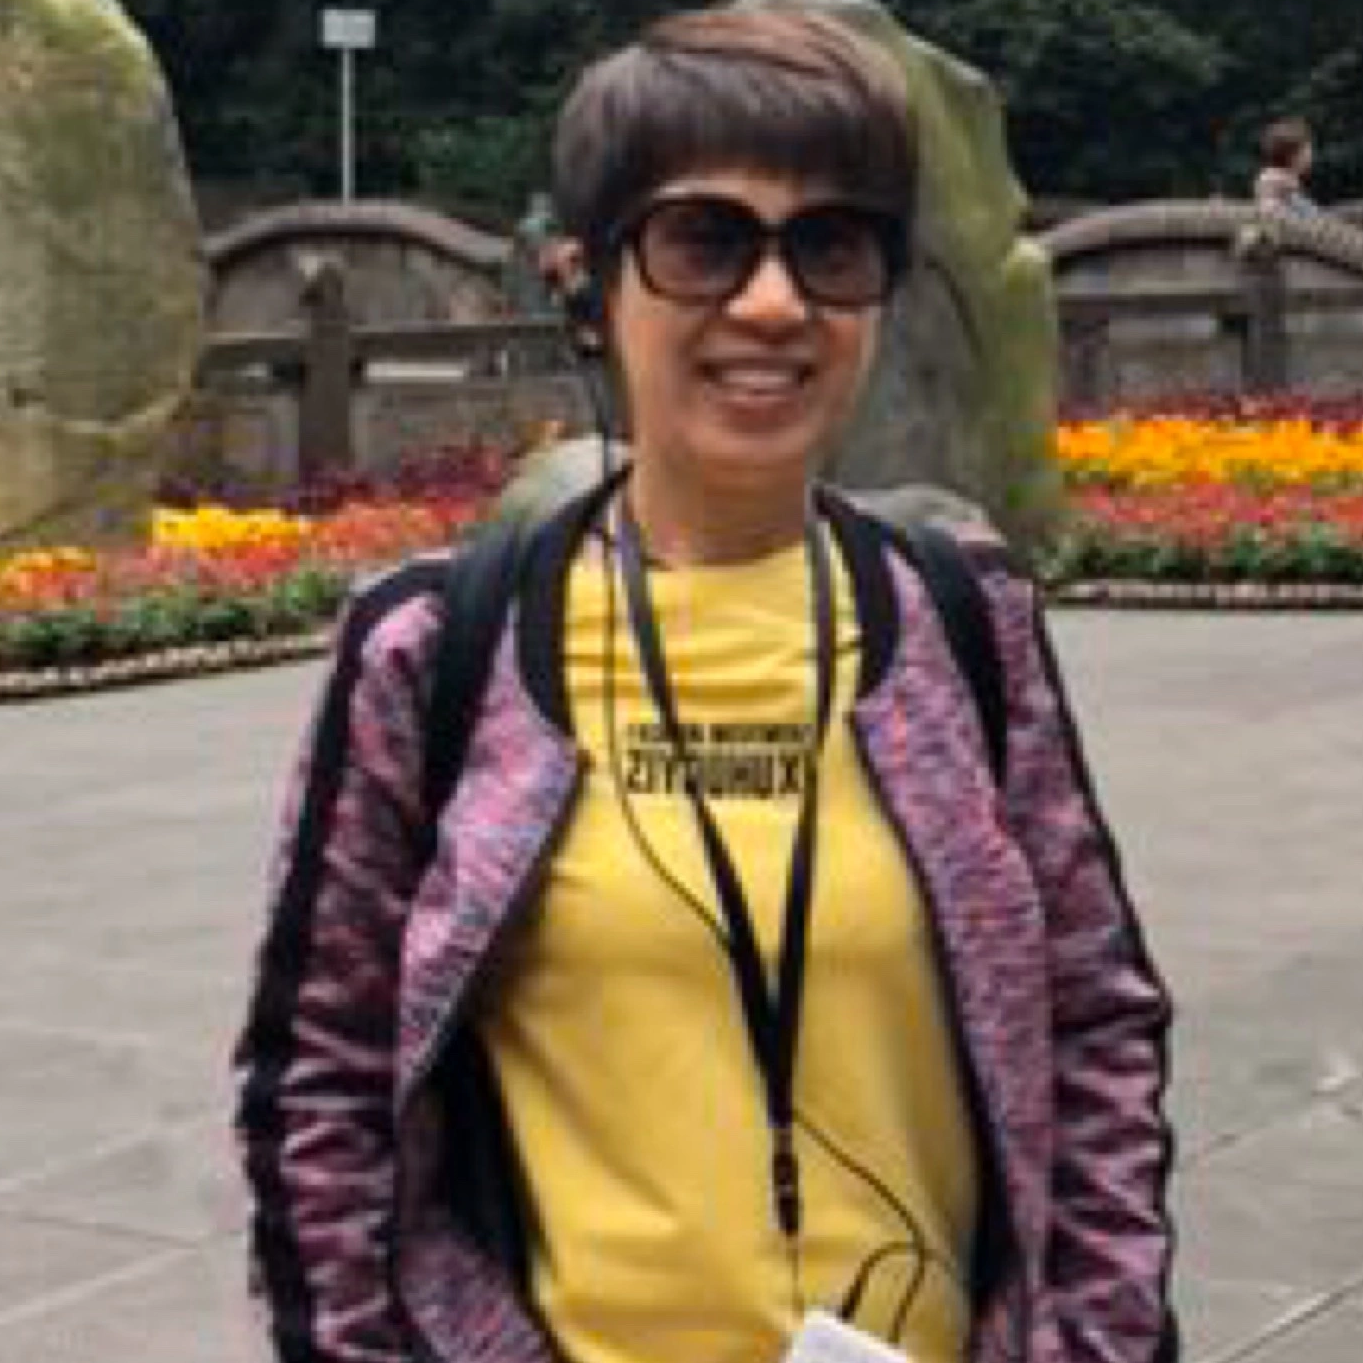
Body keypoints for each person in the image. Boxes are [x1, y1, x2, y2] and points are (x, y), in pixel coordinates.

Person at [233, 9, 1177, 1363]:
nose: (773, 302)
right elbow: (314, 1083)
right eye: (702, 239)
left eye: (830, 244)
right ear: (583, 280)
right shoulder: (434, 648)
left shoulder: (964, 623)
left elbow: (1093, 1025)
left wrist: (1093, 1339)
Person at [1253, 117, 1319, 214]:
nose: (1310, 157)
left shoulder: (1273, 177)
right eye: (1306, 152)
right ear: (1293, 156)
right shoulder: (1283, 181)